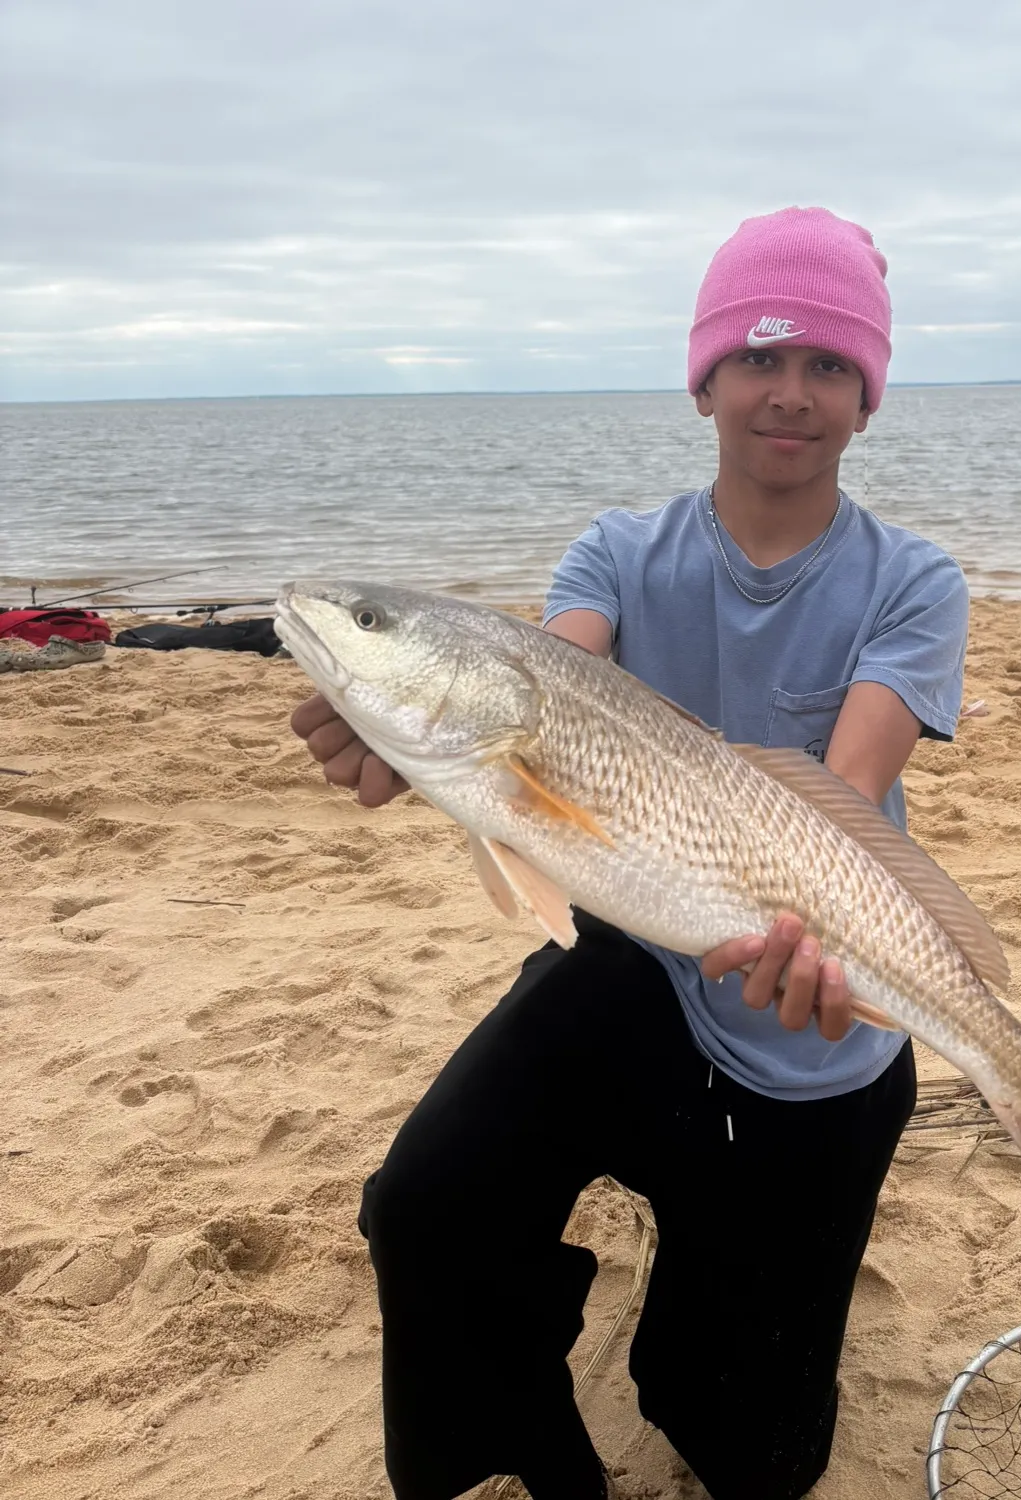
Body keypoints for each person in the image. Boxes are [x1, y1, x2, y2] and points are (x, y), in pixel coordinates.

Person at [290, 207, 970, 1500]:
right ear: (704, 377)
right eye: (760, 358)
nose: (790, 393)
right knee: (425, 1208)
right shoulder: (617, 550)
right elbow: (554, 675)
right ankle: (520, 1456)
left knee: (749, 1446)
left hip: (813, 1018)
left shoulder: (914, 582)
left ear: (868, 398)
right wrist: (417, 747)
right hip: (640, 968)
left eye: (829, 366)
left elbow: (849, 791)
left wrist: (817, 942)